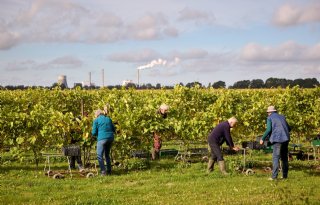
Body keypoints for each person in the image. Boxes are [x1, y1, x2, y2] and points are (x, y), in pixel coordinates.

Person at [260, 106, 291, 180]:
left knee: (276, 157)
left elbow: (268, 129)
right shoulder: (282, 117)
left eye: (267, 112)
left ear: (270, 112)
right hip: (286, 139)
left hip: (277, 139)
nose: (267, 114)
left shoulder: (270, 118)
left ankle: (274, 177)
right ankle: (284, 176)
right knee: (284, 158)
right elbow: (289, 128)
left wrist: (262, 138)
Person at [92, 109, 115, 176]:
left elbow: (93, 133)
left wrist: (96, 134)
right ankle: (109, 171)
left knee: (99, 156)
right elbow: (113, 129)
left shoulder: (96, 120)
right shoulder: (108, 119)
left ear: (97, 114)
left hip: (102, 139)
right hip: (110, 138)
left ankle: (103, 172)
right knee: (107, 155)